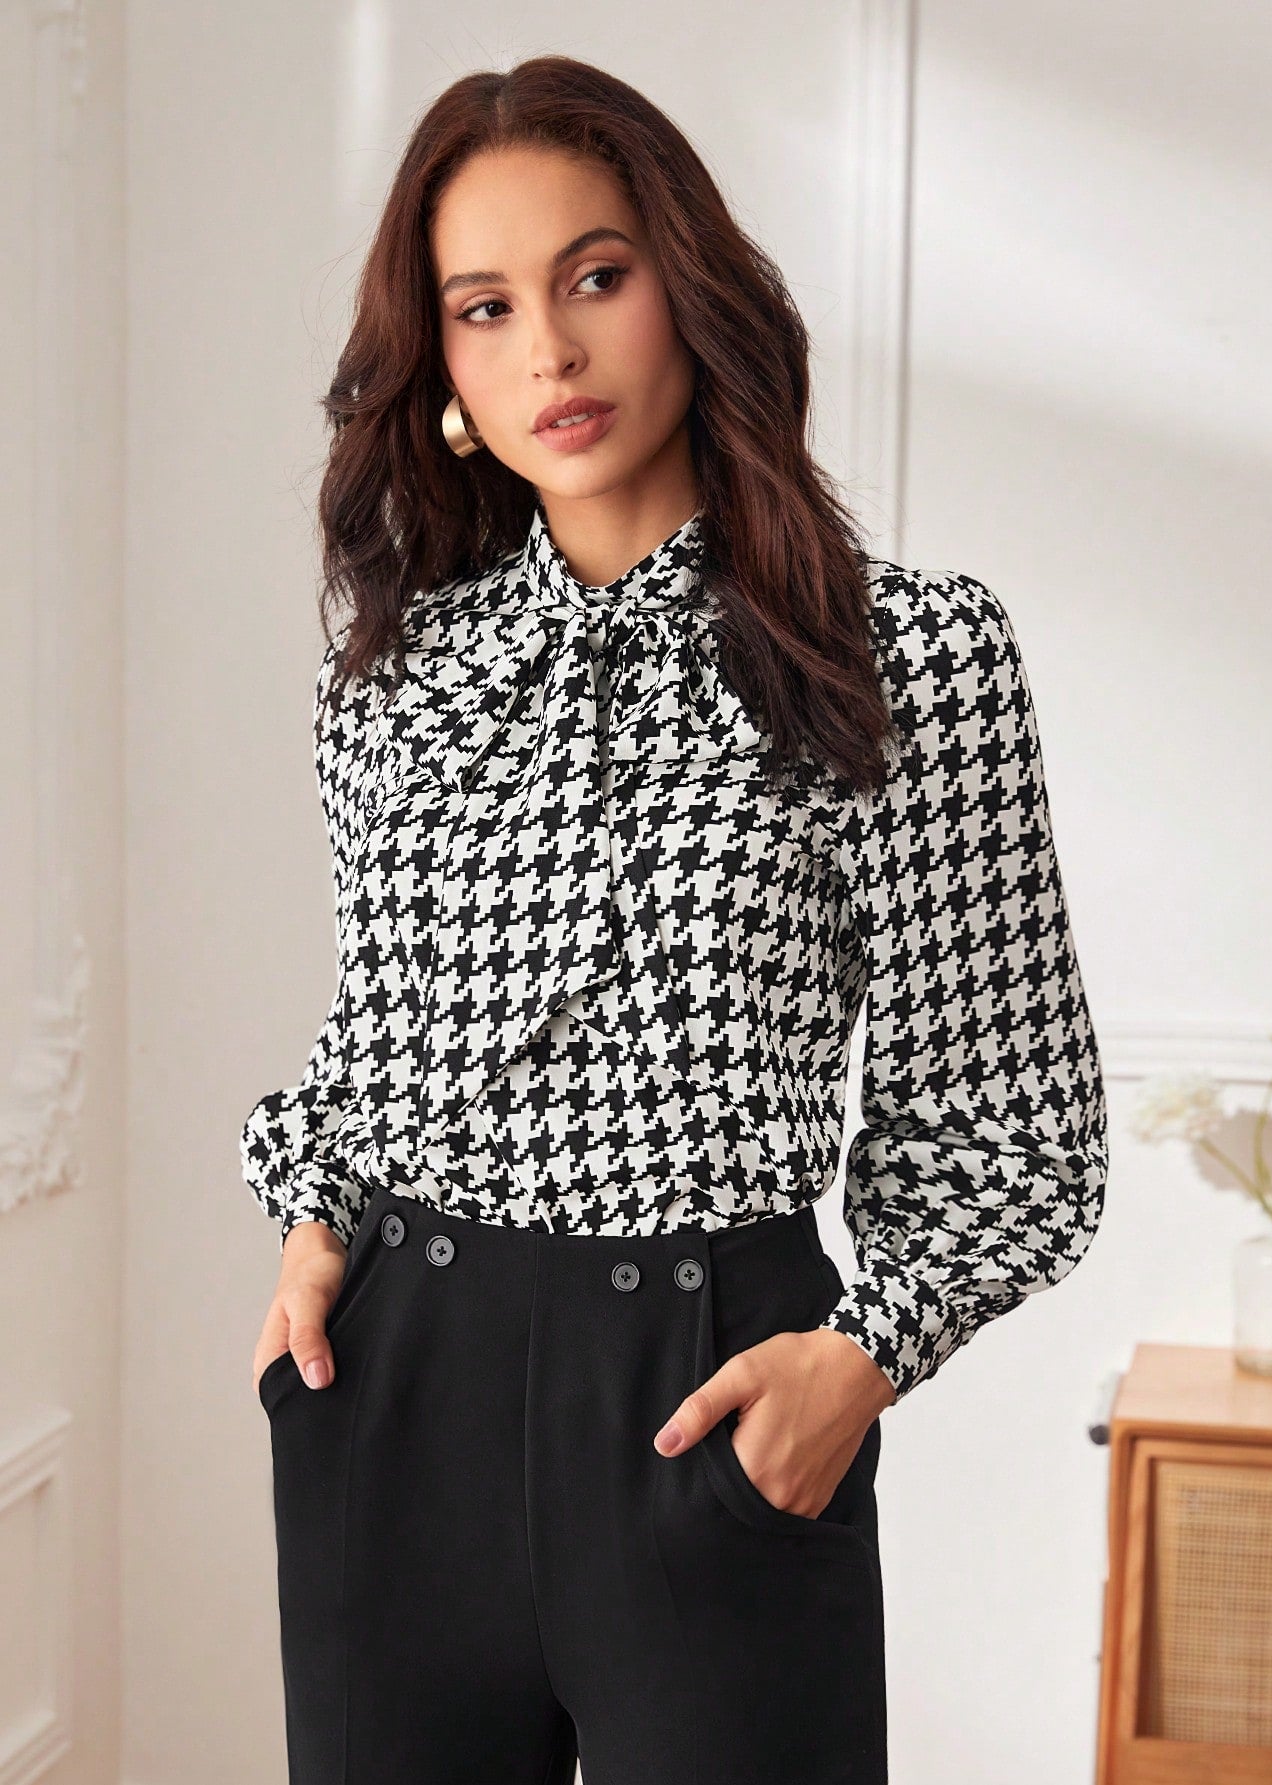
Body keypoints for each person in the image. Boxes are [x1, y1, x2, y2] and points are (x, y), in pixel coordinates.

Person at [238, 52, 1109, 1785]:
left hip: (713, 1395)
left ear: (688, 290)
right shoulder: (393, 679)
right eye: (485, 308)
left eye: (595, 276)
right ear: (444, 373)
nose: (549, 353)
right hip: (395, 1401)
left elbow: (1013, 1123)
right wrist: (315, 1223)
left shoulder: (904, 656)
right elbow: (377, 1037)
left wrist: (859, 1361)